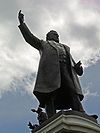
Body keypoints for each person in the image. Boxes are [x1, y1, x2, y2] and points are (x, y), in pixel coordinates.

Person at [18, 10, 85, 118]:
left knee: (72, 90)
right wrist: (22, 24)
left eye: (57, 35)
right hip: (50, 72)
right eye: (54, 34)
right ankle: (51, 116)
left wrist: (77, 68)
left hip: (66, 70)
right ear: (48, 36)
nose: (56, 36)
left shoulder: (65, 47)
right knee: (50, 93)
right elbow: (29, 38)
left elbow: (71, 61)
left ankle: (81, 113)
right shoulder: (43, 44)